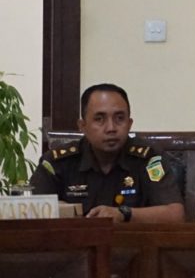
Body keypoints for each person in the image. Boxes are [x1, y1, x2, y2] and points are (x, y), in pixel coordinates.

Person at [29, 83, 184, 222]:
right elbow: (31, 212)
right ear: (82, 126)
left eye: (119, 118)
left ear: (129, 124)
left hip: (132, 243)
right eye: (99, 119)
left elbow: (175, 214)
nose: (111, 128)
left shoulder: (148, 158)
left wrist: (124, 214)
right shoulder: (57, 162)